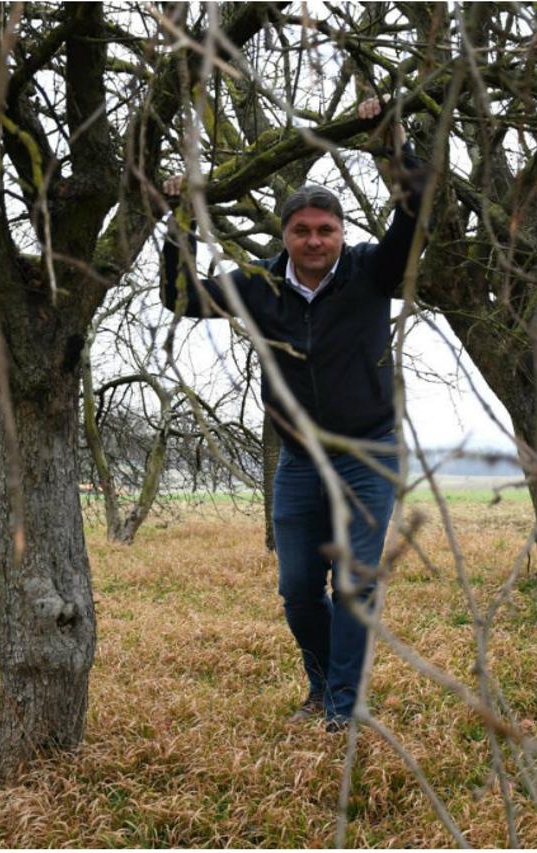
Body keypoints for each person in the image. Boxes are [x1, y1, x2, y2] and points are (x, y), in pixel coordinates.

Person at [160, 97, 425, 730]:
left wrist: (388, 138)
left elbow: (417, 209)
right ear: (285, 235)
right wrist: (179, 220)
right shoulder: (258, 287)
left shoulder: (370, 273)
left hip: (367, 456)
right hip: (300, 464)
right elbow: (181, 297)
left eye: (325, 231)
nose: (314, 241)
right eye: (302, 231)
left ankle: (342, 709)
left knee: (355, 589)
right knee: (299, 590)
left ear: (341, 234)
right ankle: (323, 684)